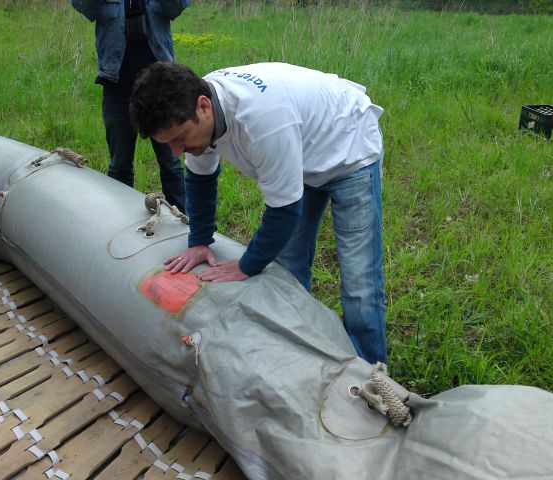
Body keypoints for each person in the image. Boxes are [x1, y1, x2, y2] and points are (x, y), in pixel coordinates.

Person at [130, 61, 387, 365]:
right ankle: (302, 356)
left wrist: (247, 265)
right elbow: (200, 179)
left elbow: (285, 211)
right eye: (169, 143)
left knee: (359, 286)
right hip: (301, 150)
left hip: (349, 148)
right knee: (288, 268)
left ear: (204, 107)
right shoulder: (201, 108)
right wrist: (199, 240)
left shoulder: (262, 120)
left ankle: (371, 373)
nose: (177, 151)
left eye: (180, 138)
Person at [71, 0, 188, 212]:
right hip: (117, 86)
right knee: (119, 165)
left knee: (171, 163)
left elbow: (176, 7)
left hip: (160, 87)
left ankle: (182, 221)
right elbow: (84, 7)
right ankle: (120, 221)